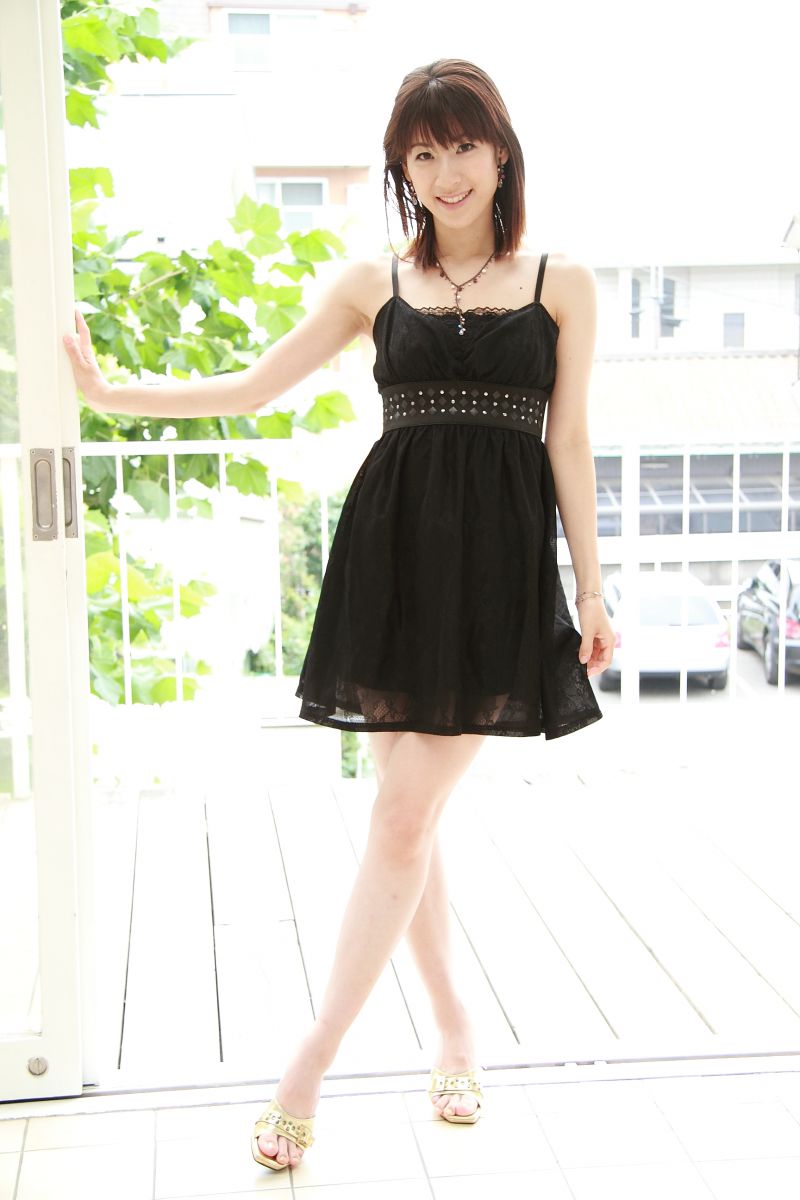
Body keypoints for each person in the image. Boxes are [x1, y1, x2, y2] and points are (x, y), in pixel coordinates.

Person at [63, 58, 613, 1172]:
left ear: (500, 152)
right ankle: (454, 1034)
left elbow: (566, 440)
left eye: (463, 146)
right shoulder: (374, 284)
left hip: (496, 577)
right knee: (408, 820)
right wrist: (113, 394)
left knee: (401, 819)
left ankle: (307, 1067)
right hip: (392, 563)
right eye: (423, 152)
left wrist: (592, 589)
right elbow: (254, 386)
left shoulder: (562, 283)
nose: (446, 171)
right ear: (402, 168)